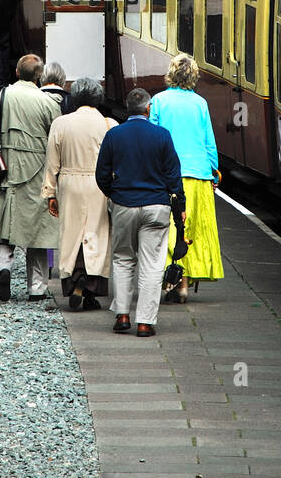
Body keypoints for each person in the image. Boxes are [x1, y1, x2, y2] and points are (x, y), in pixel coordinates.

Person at [95, 86, 185, 338]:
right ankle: (145, 322)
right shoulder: (162, 135)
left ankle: (122, 315)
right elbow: (173, 177)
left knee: (123, 258)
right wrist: (181, 208)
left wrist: (115, 194)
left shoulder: (114, 135)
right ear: (148, 109)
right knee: (153, 264)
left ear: (127, 109)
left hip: (124, 204)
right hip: (156, 206)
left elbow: (101, 174)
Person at [0, 53, 60, 303]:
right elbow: (57, 136)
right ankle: (37, 289)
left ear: (17, 73)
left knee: (4, 224)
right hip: (36, 169)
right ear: (39, 76)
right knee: (37, 229)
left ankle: (4, 269)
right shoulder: (47, 102)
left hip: (3, 166)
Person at [149, 53, 224, 302]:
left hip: (168, 175)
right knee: (192, 229)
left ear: (171, 74)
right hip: (198, 174)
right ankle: (184, 283)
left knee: (170, 229)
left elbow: (154, 137)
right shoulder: (201, 104)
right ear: (194, 76)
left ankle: (170, 280)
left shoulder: (159, 101)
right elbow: (208, 143)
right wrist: (213, 172)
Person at [42, 77, 115, 311]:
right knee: (96, 233)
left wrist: (50, 193)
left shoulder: (61, 124)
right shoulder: (108, 124)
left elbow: (52, 163)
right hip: (99, 185)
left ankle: (75, 276)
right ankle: (91, 286)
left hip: (69, 183)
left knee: (71, 234)